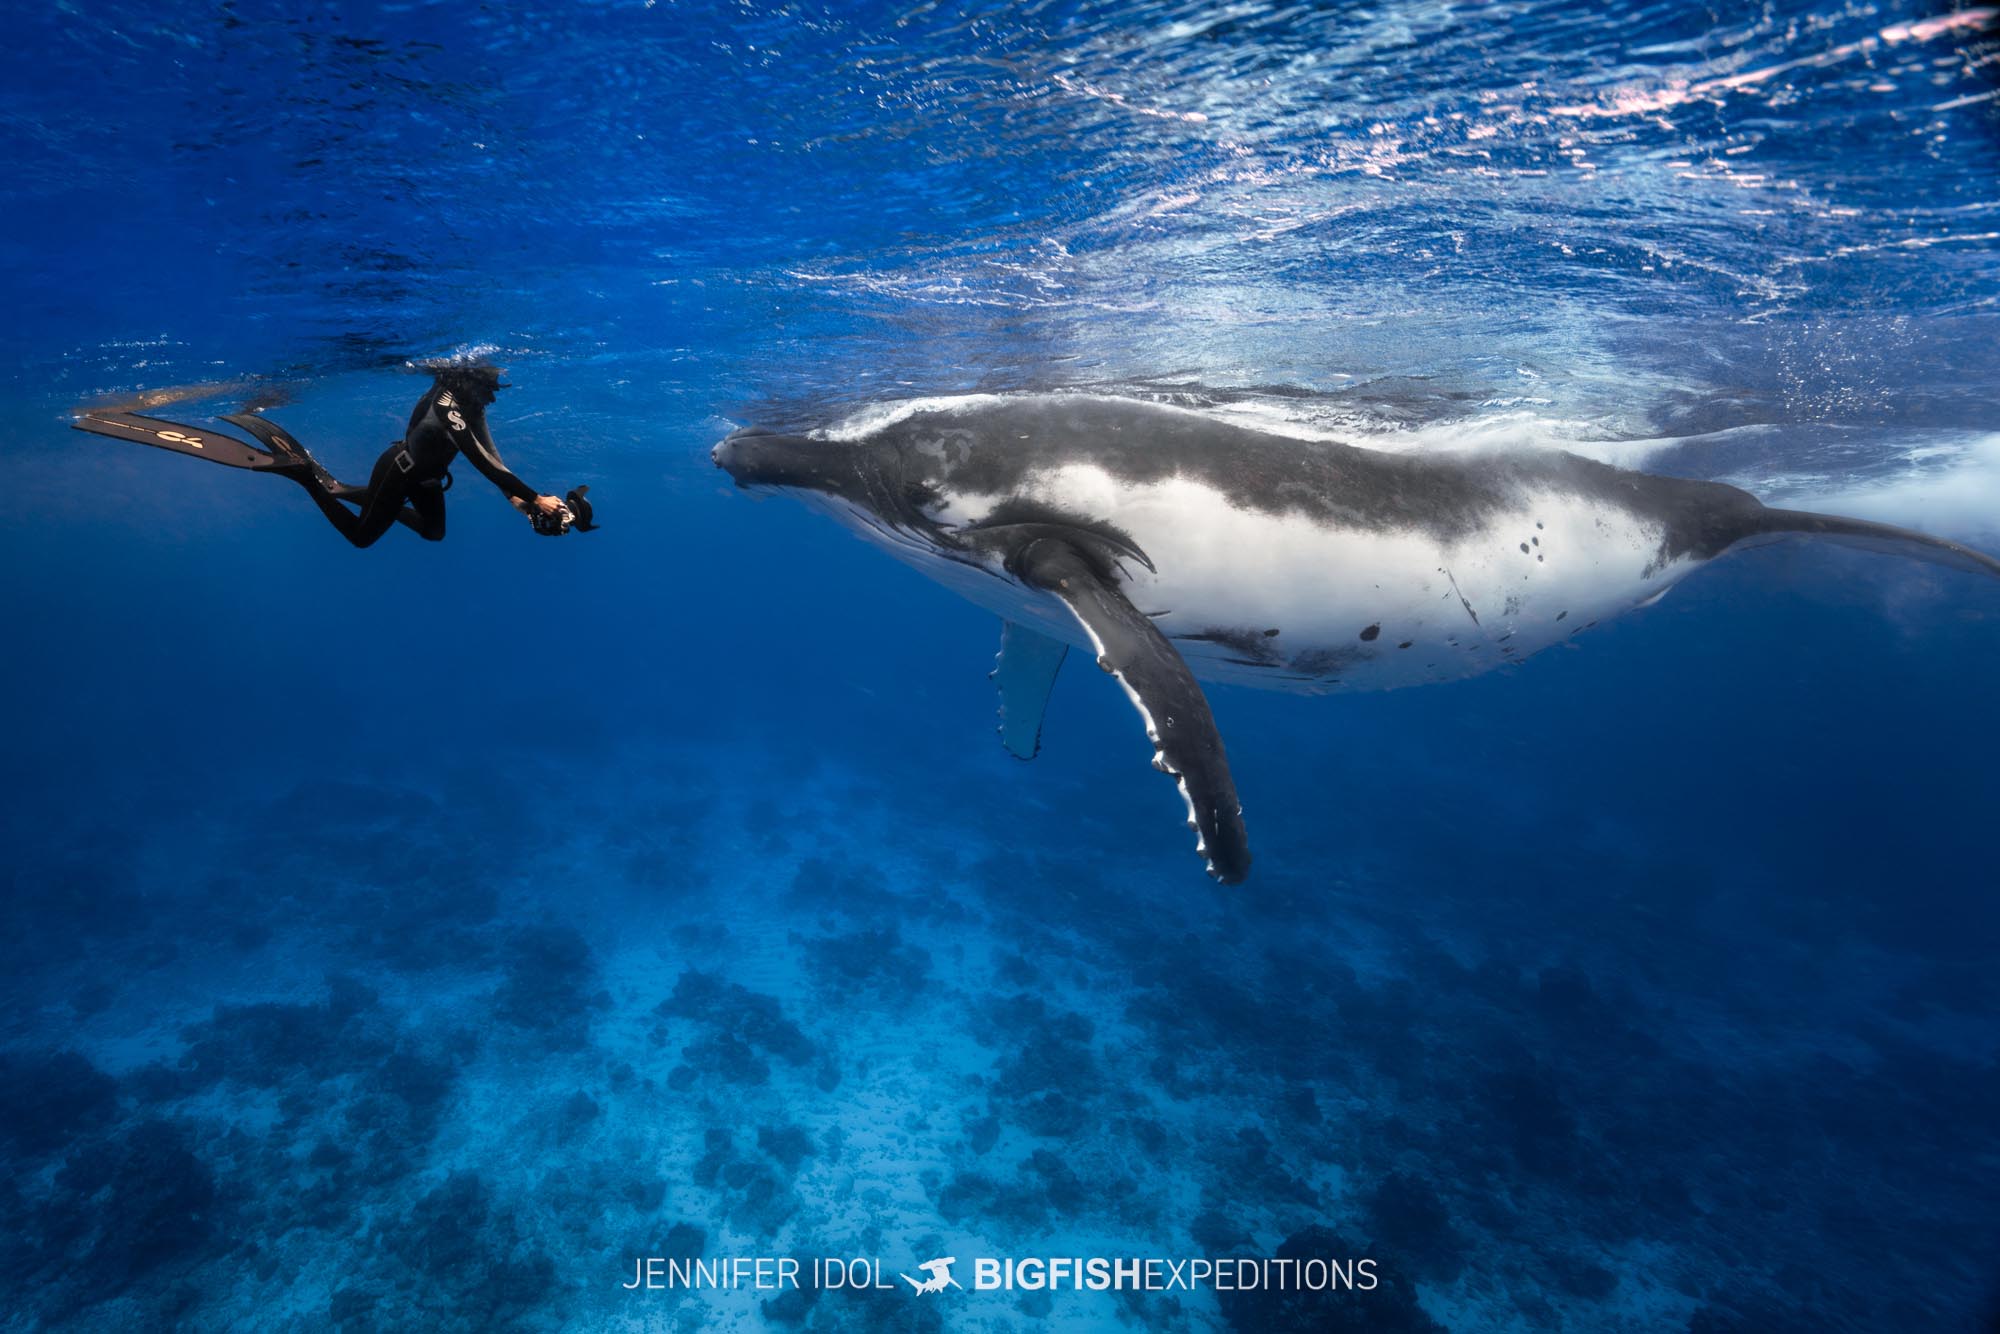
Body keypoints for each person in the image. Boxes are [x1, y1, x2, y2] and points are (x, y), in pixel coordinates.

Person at [72, 363, 595, 547]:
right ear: (468, 381)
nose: (496, 384)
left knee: (434, 532)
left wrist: (519, 500)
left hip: (428, 480)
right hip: (404, 469)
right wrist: (532, 497)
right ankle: (305, 478)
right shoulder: (447, 402)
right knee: (363, 537)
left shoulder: (470, 402)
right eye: (490, 379)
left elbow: (491, 454)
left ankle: (343, 488)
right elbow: (480, 463)